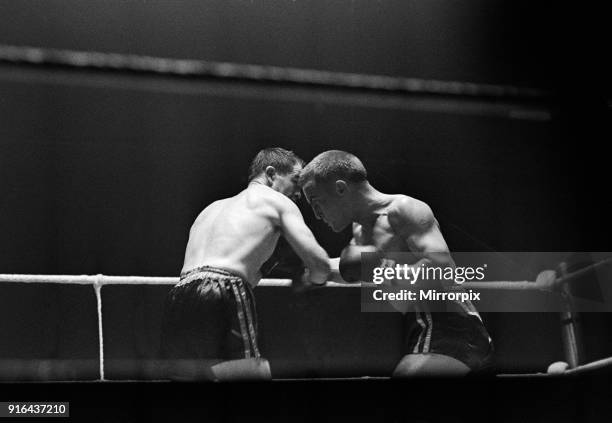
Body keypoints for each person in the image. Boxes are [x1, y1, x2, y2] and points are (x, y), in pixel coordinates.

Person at [299, 150, 493, 376]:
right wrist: (315, 268)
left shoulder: (403, 210)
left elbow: (443, 268)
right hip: (422, 329)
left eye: (316, 201)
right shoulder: (360, 231)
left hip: (454, 327)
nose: (317, 214)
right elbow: (353, 268)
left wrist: (383, 269)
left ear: (341, 188)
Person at [161, 147, 331, 381]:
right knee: (251, 377)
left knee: (186, 384)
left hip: (180, 294)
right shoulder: (277, 202)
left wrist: (262, 267)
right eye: (295, 180)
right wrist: (311, 280)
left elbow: (221, 272)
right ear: (271, 174)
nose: (299, 192)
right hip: (226, 288)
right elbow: (320, 264)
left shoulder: (209, 210)